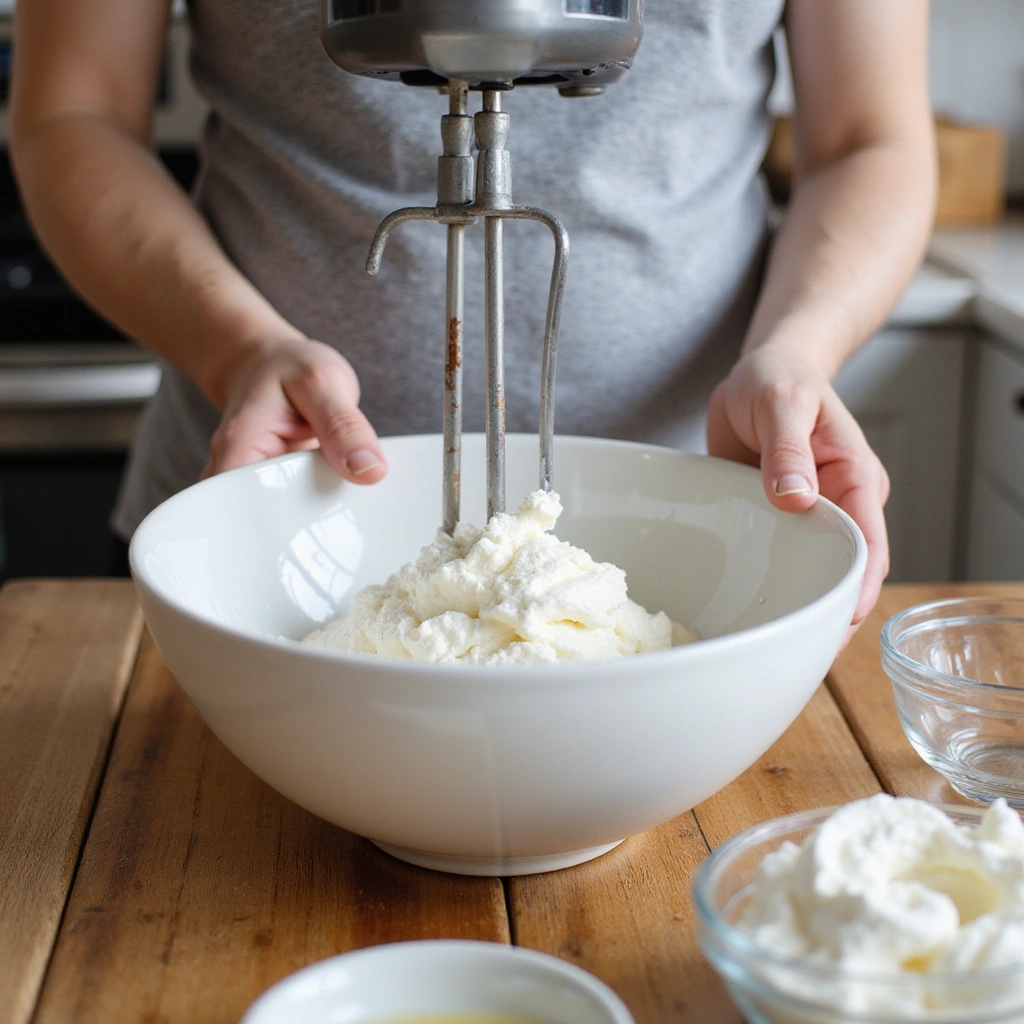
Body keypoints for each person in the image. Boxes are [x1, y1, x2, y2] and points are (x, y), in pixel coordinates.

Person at [9, 0, 935, 638]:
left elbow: (870, 137)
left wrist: (797, 349)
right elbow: (72, 109)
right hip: (267, 540)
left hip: (690, 546)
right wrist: (237, 348)